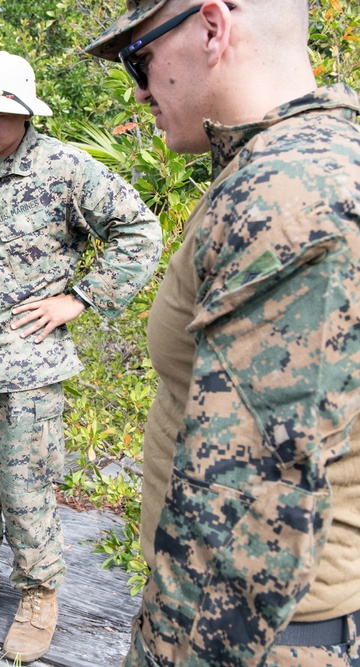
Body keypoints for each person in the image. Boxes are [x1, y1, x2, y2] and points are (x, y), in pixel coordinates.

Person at [85, 2, 360, 665]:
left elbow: (246, 504)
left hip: (251, 639)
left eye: (139, 57)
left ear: (212, 28)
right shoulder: (305, 162)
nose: (140, 90)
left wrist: (166, 651)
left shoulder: (285, 197)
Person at [0, 51, 163, 663]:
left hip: (25, 366)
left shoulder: (66, 171)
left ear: (25, 114)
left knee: (25, 487)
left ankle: (40, 592)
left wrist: (79, 299)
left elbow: (139, 232)